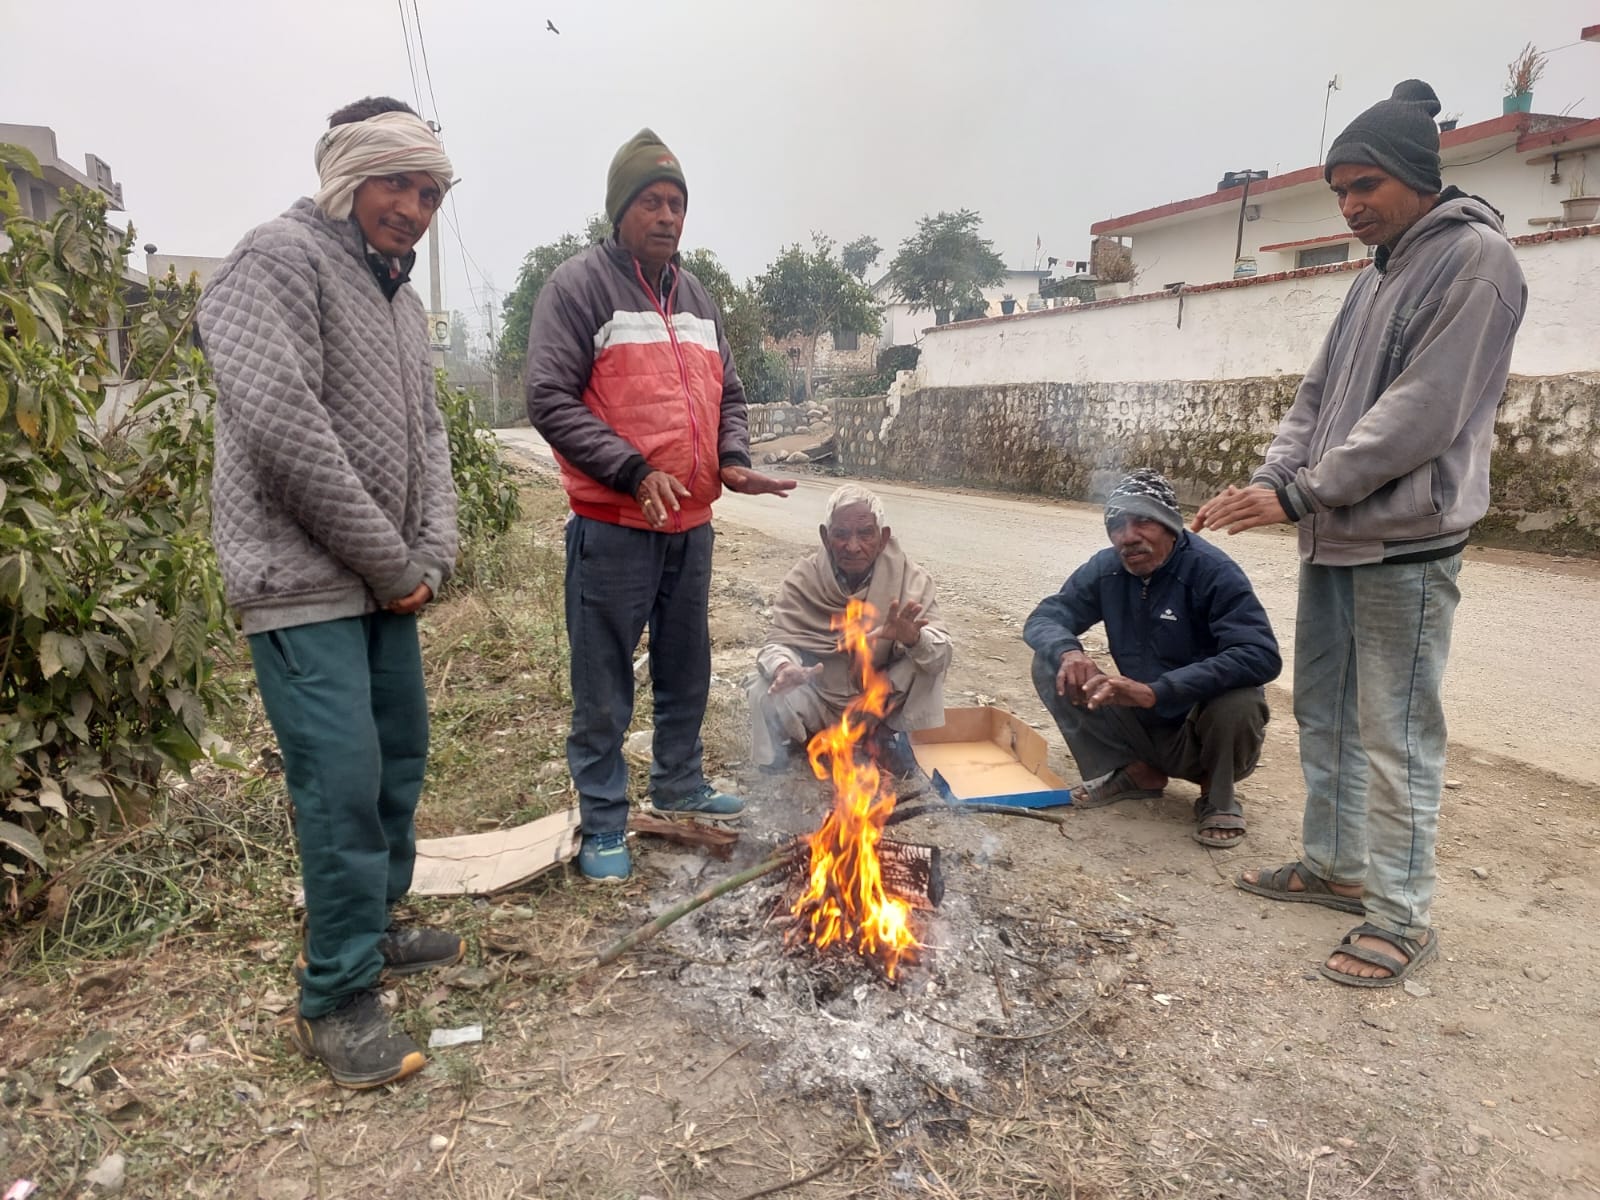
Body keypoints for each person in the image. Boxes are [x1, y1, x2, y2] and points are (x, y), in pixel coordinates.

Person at [1193, 80, 1527, 988]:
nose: (1349, 205)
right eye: (1340, 189)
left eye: (1365, 184)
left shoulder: (1478, 262)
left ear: (1416, 176)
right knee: (1328, 714)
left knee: (1397, 731)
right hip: (1333, 536)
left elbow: (1422, 414)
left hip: (1405, 545)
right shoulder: (1372, 277)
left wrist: (1303, 495)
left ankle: (1401, 911)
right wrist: (1271, 481)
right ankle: (1336, 865)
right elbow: (1316, 400)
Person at [200, 97, 461, 1087]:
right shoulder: (276, 261)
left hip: (386, 583)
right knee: (341, 782)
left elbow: (431, 437)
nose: (415, 207)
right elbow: (282, 426)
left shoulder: (397, 298)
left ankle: (377, 922)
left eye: (431, 191)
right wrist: (392, 564)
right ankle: (338, 993)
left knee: (398, 759)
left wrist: (428, 553)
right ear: (348, 178)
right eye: (399, 183)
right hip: (302, 581)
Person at [526, 129, 795, 882]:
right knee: (605, 681)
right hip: (614, 527)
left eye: (677, 203)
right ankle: (605, 821)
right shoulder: (577, 287)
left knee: (687, 666)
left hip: (690, 527)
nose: (667, 215)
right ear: (620, 210)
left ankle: (679, 779)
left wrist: (733, 460)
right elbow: (548, 397)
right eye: (652, 201)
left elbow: (729, 394)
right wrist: (632, 469)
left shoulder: (698, 296)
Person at [1024, 469, 1280, 847]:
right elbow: (1045, 617)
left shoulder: (1211, 571)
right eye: (1116, 526)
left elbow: (1260, 654)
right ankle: (1136, 771)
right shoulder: (1107, 568)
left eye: (1142, 521)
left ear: (1170, 524)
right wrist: (1069, 650)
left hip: (1198, 731)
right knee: (1052, 663)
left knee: (1240, 698)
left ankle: (1216, 792)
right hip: (1141, 724)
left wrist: (1159, 690)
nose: (1127, 537)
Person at [751, 485, 951, 780]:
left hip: (878, 700)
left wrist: (913, 639)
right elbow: (776, 643)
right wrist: (785, 666)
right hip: (820, 697)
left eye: (865, 534)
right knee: (762, 687)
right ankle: (809, 744)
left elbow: (941, 653)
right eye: (841, 534)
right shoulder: (803, 579)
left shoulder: (912, 580)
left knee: (929, 658)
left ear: (882, 538)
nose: (853, 546)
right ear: (825, 536)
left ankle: (883, 740)